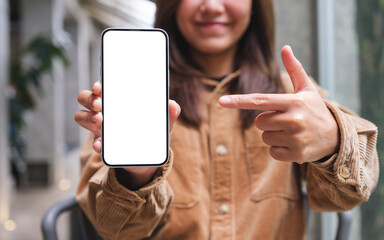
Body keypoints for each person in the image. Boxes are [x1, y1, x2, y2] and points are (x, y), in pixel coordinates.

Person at [74, 0, 379, 239]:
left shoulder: (289, 96)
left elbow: (351, 192)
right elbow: (114, 227)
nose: (212, 5)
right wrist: (137, 175)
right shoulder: (132, 100)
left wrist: (333, 141)